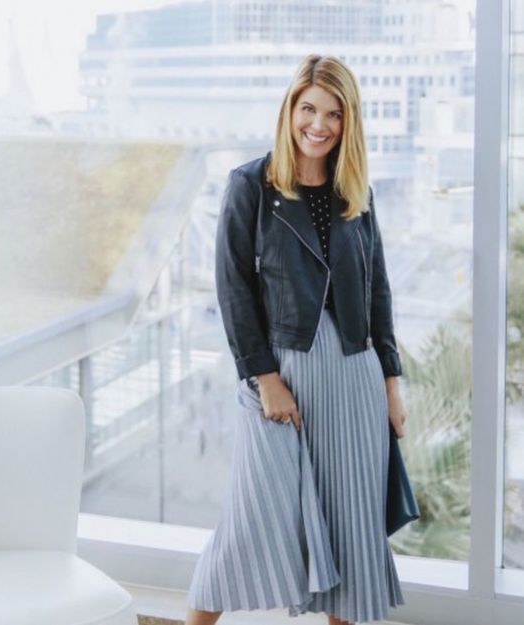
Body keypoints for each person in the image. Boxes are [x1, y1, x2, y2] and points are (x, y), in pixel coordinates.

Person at [185, 53, 408, 625]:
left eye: (334, 113)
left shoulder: (355, 191)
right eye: (308, 108)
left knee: (351, 525)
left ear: (348, 121)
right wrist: (264, 378)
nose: (319, 124)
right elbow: (233, 288)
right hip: (283, 372)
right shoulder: (250, 186)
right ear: (289, 110)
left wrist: (391, 384)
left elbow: (378, 292)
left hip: (355, 375)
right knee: (247, 519)